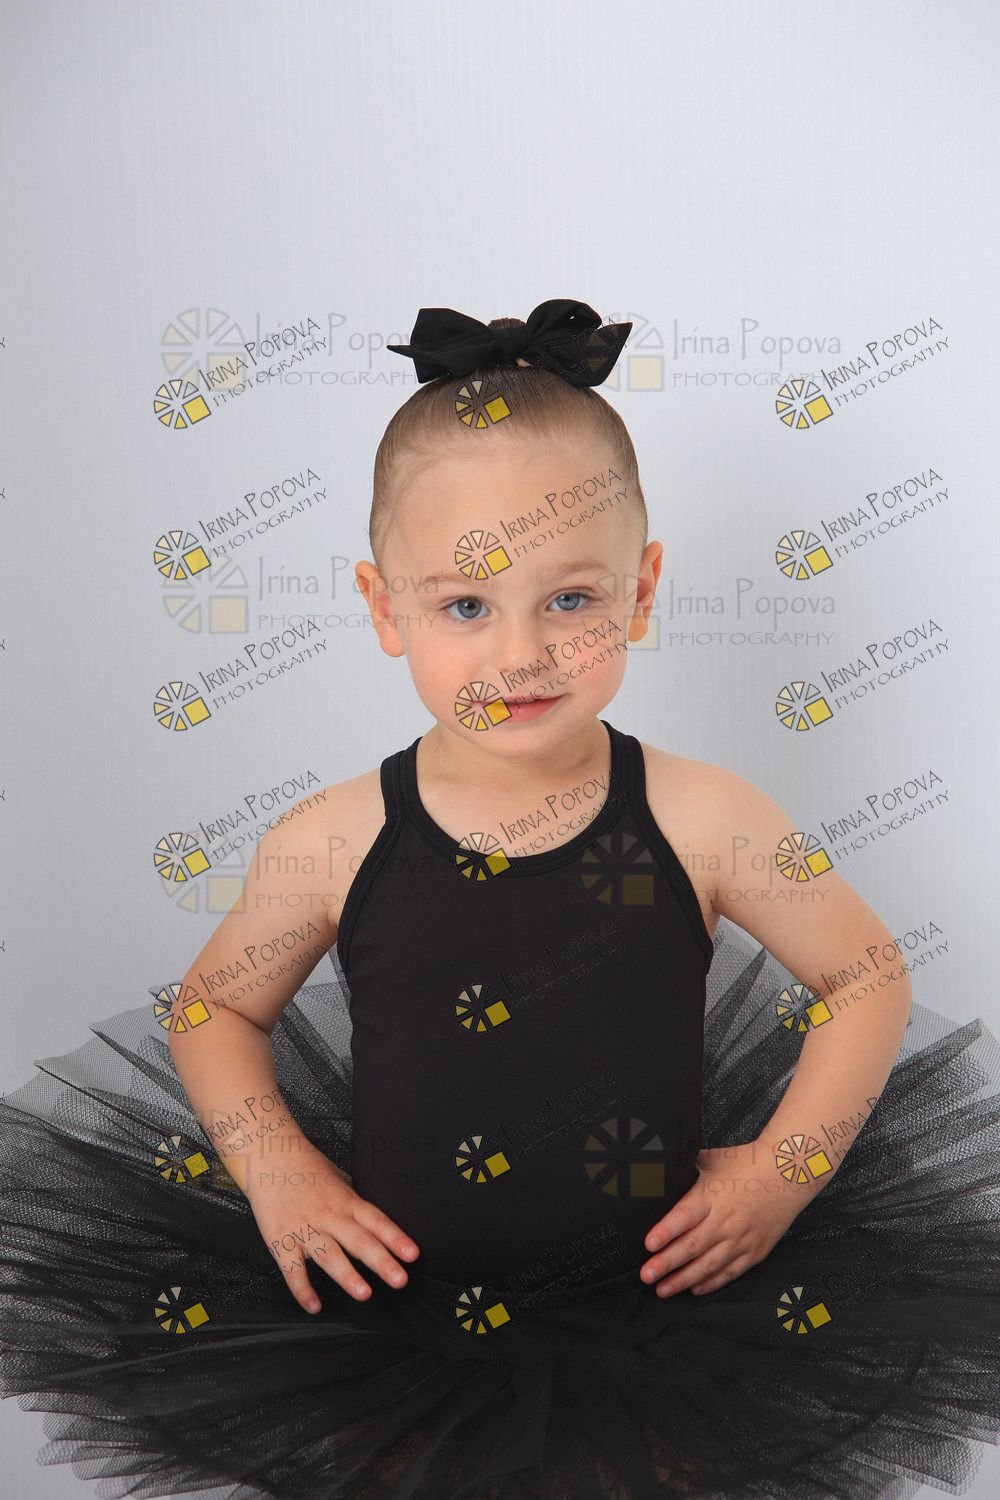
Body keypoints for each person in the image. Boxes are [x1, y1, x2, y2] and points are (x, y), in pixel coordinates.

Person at [1, 298, 999, 1500]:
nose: (520, 656)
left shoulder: (705, 816)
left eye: (569, 601)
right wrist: (278, 1172)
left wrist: (783, 1171)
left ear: (641, 589)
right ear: (385, 608)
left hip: (660, 1320)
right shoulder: (333, 838)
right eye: (465, 606)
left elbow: (865, 974)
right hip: (396, 1325)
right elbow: (215, 1009)